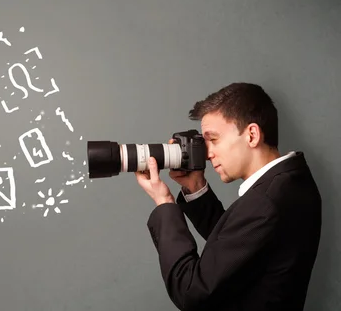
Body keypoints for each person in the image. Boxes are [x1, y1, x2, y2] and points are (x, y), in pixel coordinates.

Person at [135, 82, 322, 311]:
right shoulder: (293, 180)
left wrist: (164, 202)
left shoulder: (264, 202)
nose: (208, 153)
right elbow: (239, 245)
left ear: (252, 135)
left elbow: (191, 292)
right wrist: (195, 187)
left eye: (213, 140)